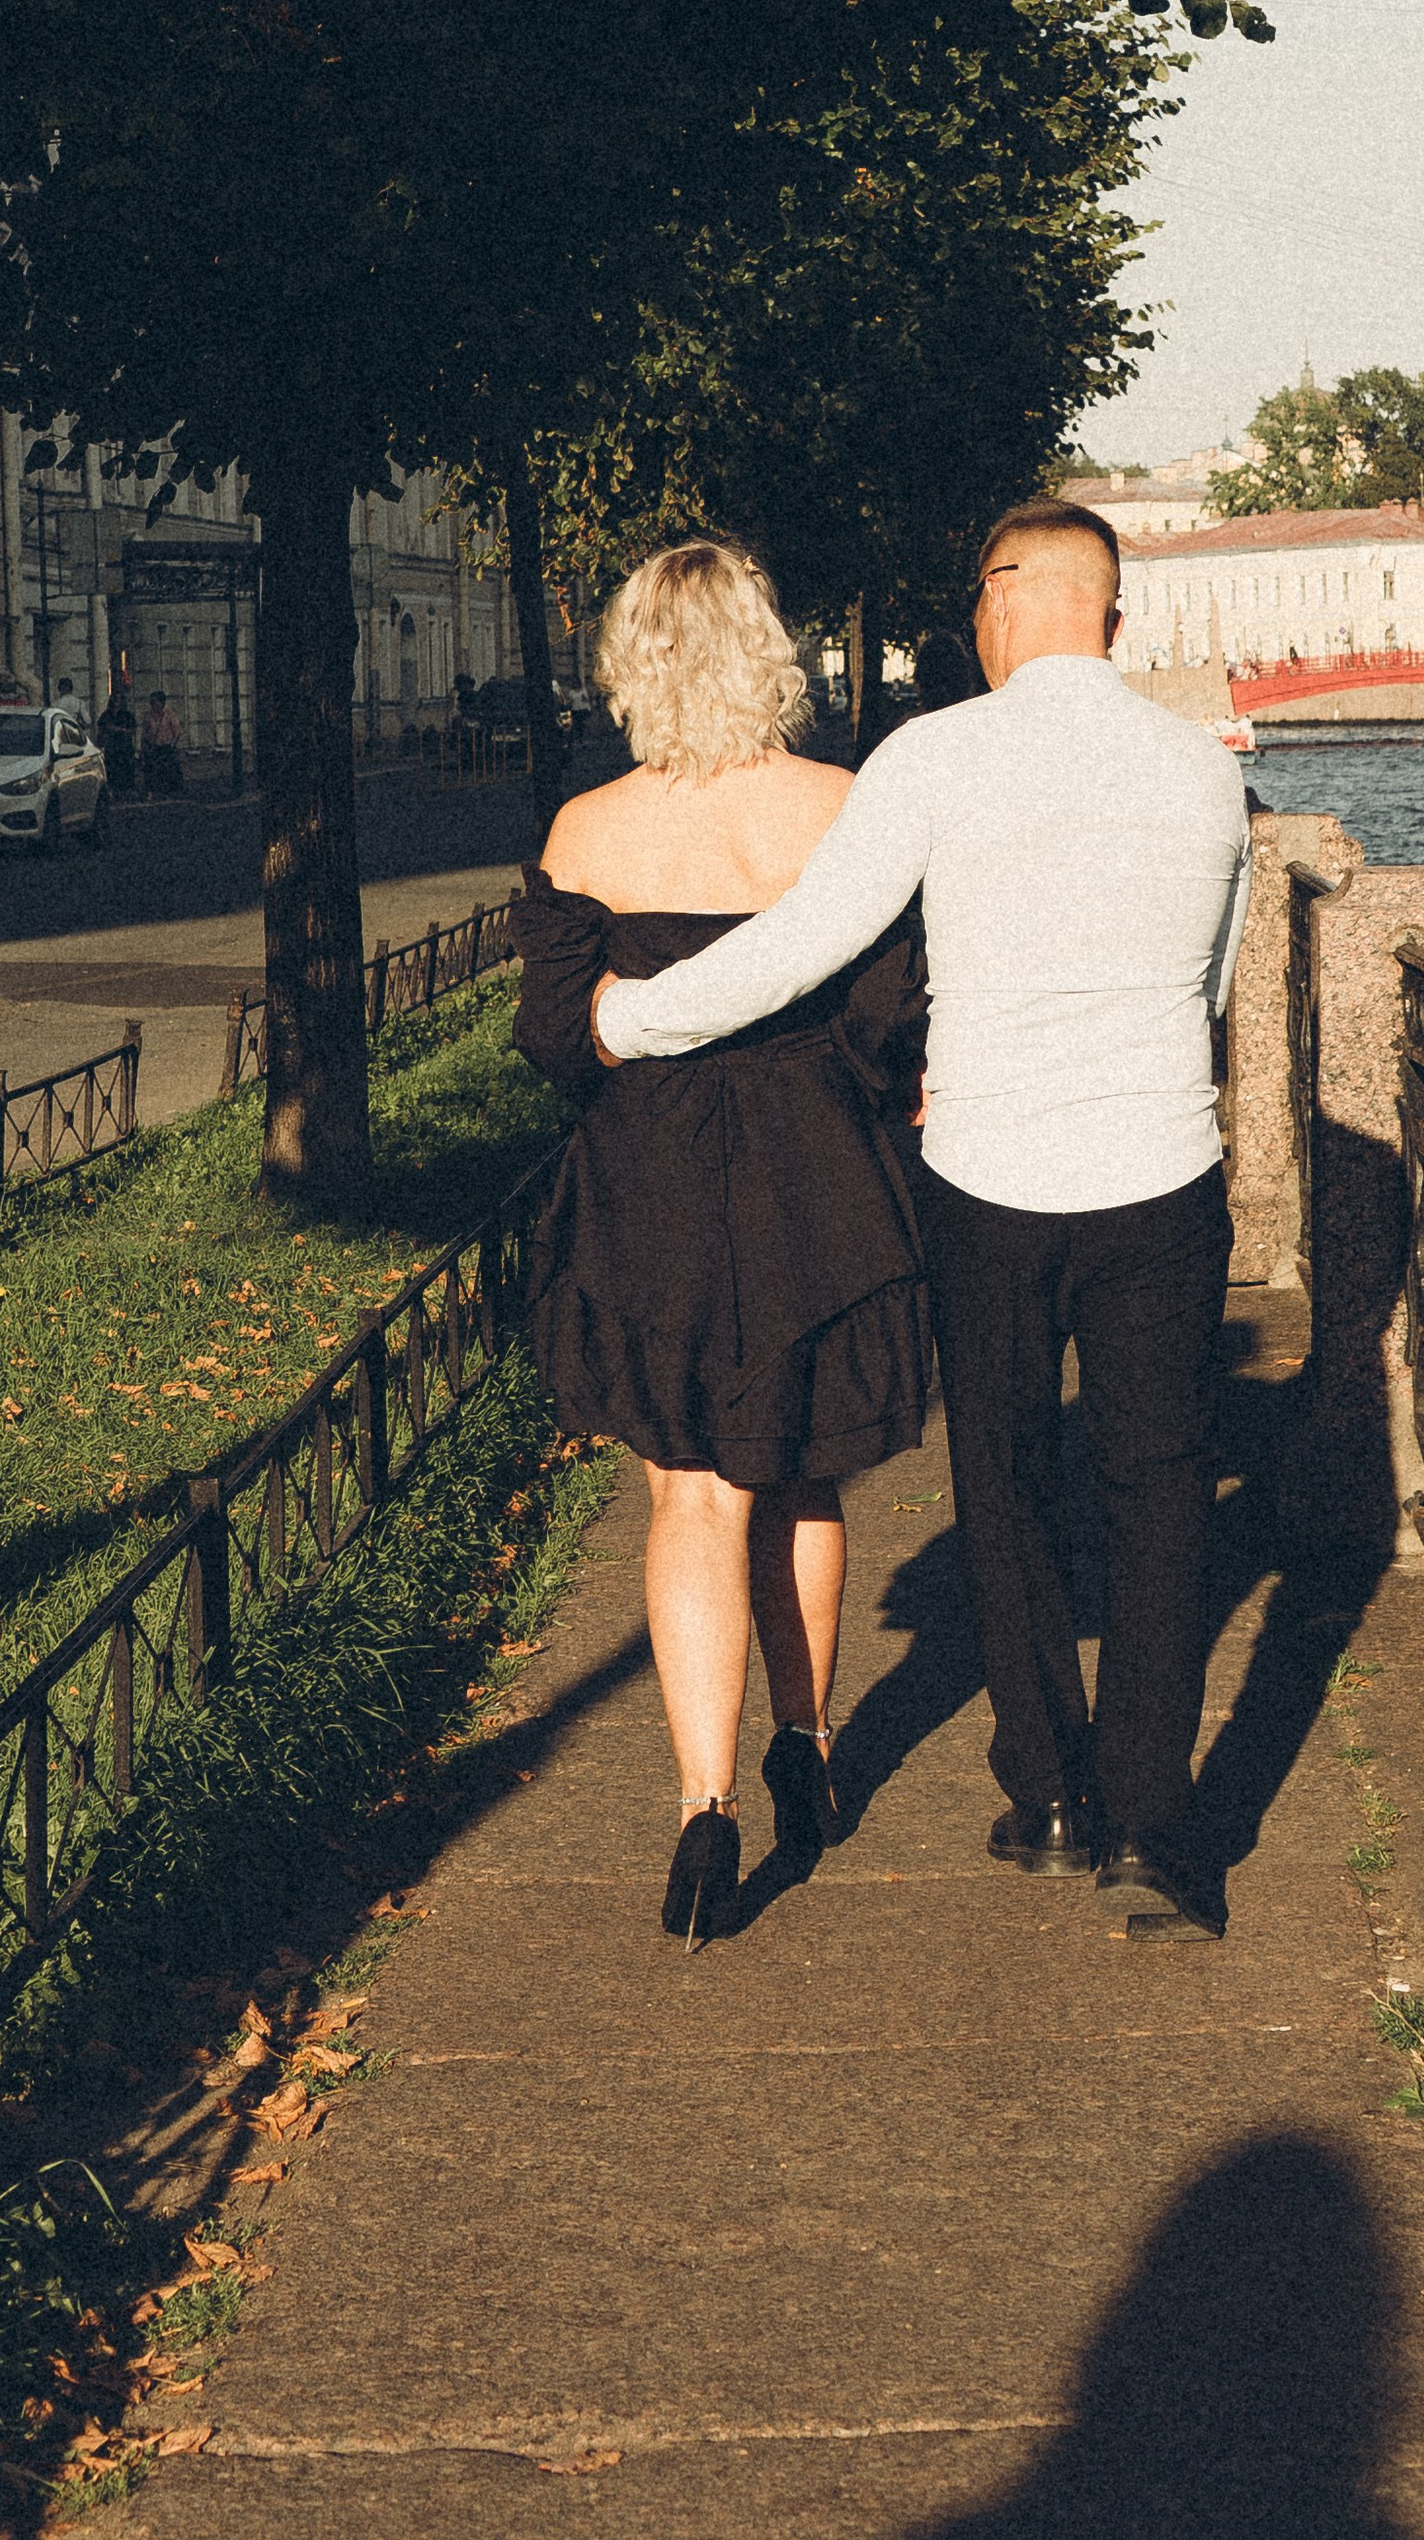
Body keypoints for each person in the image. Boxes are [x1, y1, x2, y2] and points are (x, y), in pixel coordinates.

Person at [595, 500, 1250, 1942]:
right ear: (1118, 620)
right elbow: (1210, 982)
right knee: (1159, 1489)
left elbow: (802, 948)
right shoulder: (1203, 772)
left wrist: (634, 1016)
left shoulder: (936, 756)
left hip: (991, 1176)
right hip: (1161, 1166)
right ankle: (1156, 1818)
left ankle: (1051, 1794)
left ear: (994, 606)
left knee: (1005, 1479)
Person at [512, 540, 928, 1951]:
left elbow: (555, 1041)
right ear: (771, 653)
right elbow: (887, 1019)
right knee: (803, 1474)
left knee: (690, 1497)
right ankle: (805, 1741)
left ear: (632, 664)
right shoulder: (843, 808)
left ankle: (703, 1806)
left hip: (652, 1188)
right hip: (819, 1176)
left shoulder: (586, 831)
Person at [140, 689, 184, 797]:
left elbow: (177, 731)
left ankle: (170, 791)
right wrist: (143, 747)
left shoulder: (170, 715)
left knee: (168, 770)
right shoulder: (148, 715)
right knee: (151, 770)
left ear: (162, 702)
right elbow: (144, 732)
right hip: (153, 746)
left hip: (166, 747)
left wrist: (172, 745)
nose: (153, 705)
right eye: (152, 703)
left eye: (155, 702)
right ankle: (152, 791)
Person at [98, 682, 139, 798]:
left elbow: (133, 730)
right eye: (115, 699)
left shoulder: (127, 715)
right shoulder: (106, 715)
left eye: (119, 699)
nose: (116, 702)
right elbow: (101, 729)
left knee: (126, 769)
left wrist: (121, 730)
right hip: (112, 747)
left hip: (125, 747)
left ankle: (127, 790)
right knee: (112, 769)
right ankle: (113, 790)